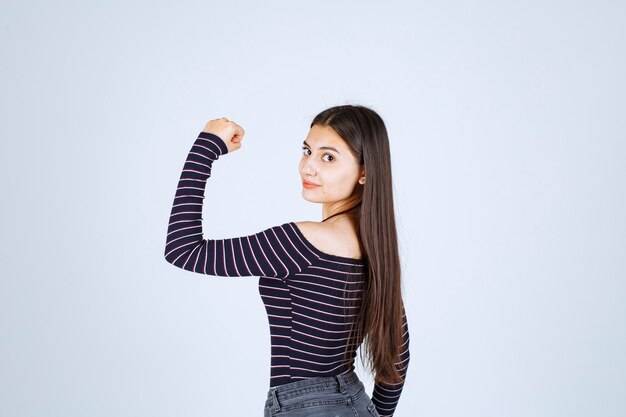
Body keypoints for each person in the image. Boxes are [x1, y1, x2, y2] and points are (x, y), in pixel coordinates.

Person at [164, 104, 410, 416]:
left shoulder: (301, 242)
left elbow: (183, 249)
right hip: (355, 401)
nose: (308, 167)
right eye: (307, 150)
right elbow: (398, 353)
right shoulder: (376, 247)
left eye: (328, 157)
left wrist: (206, 147)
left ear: (364, 172)